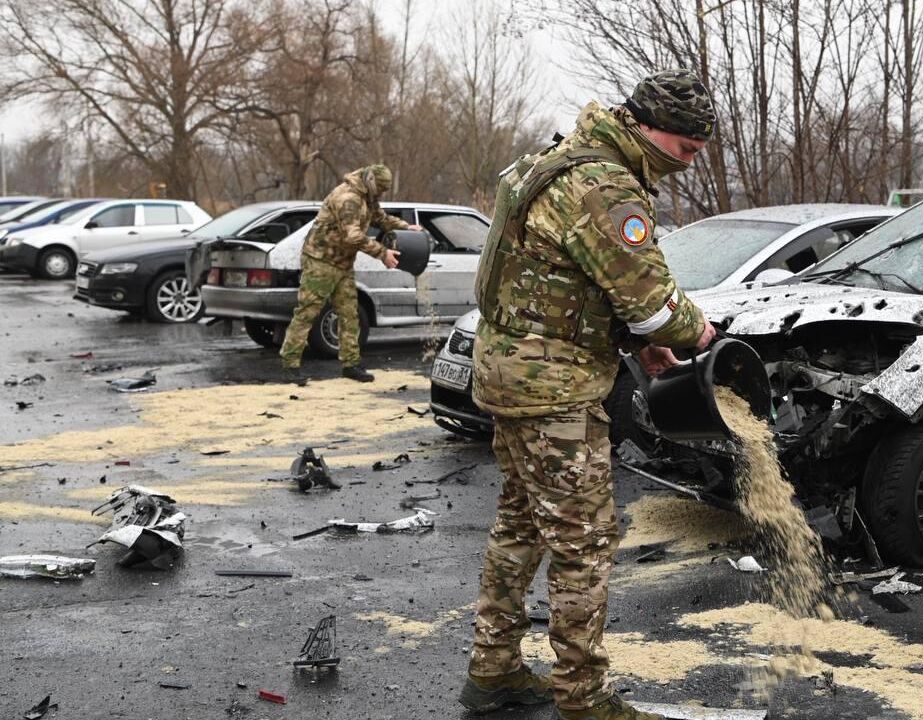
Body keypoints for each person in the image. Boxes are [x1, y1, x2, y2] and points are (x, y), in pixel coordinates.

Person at [458, 70, 718, 720]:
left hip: (508, 373)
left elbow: (562, 285)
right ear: (648, 124)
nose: (686, 163)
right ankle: (584, 698)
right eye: (685, 149)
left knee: (520, 523)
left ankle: (493, 670)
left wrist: (635, 346)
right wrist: (696, 331)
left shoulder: (557, 160)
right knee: (585, 542)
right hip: (554, 391)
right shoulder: (605, 185)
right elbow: (653, 303)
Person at [278, 163, 422, 385]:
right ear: (371, 181)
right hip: (320, 261)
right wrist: (382, 253)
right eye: (380, 190)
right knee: (308, 311)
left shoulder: (367, 196)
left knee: (349, 313)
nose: (380, 194)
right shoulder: (348, 199)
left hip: (343, 263)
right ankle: (290, 363)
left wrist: (405, 226)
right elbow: (352, 236)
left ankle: (350, 364)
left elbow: (381, 218)